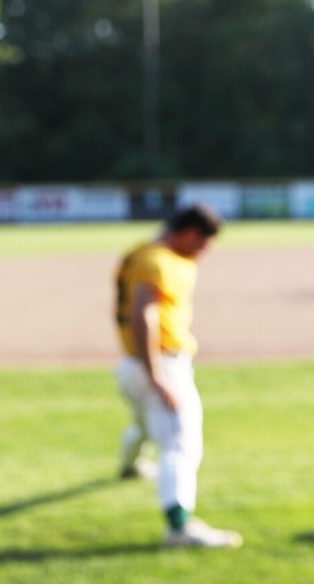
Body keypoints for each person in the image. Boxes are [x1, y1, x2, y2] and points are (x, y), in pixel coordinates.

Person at [114, 203, 242, 549]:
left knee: (143, 425)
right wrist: (157, 377)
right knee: (180, 443)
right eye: (204, 242)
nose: (207, 251)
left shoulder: (142, 251)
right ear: (188, 233)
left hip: (130, 365)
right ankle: (179, 526)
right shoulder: (160, 262)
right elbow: (144, 315)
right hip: (159, 363)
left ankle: (130, 466)